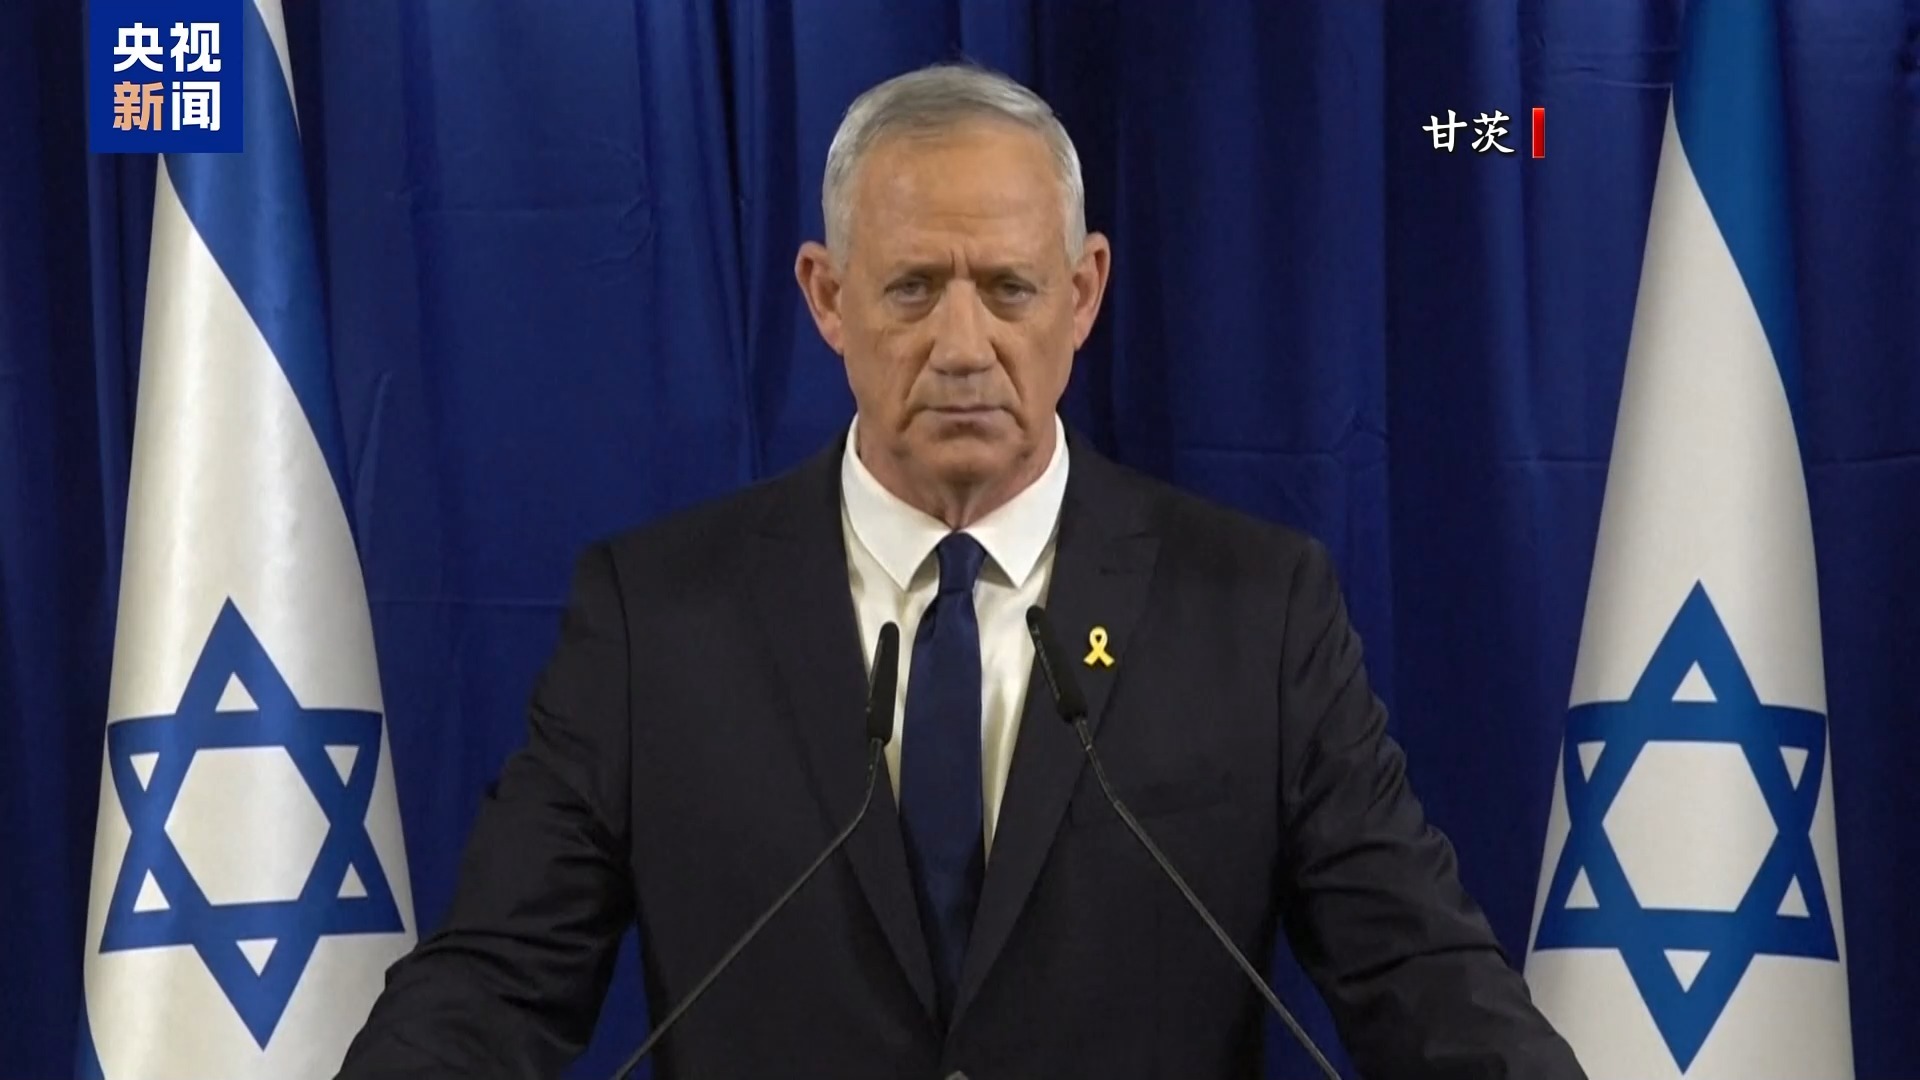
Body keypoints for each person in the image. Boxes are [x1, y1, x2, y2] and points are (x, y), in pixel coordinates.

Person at [337, 63, 1585, 1080]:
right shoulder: (656, 620)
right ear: (827, 298)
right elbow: (493, 986)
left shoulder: (1254, 613)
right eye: (913, 288)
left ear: (1083, 295)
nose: (963, 345)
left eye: (1009, 288)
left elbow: (1422, 979)